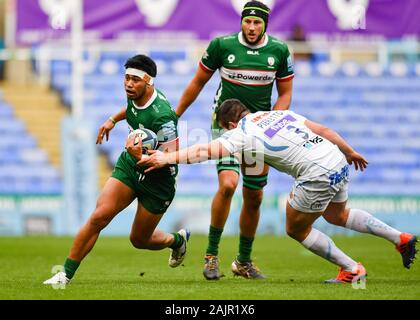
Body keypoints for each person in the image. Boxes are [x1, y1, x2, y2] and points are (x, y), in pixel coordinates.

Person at [136, 99, 418, 283]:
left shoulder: (240, 133)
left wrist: (166, 157)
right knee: (338, 214)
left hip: (316, 173)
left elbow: (204, 150)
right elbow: (324, 129)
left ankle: (352, 270)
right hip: (336, 159)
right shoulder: (281, 114)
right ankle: (400, 238)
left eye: (225, 130)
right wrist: (350, 151)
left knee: (296, 228)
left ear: (230, 125)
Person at [43, 54, 189, 285]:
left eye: (135, 80)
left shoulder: (164, 117)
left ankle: (177, 242)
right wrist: (113, 119)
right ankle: (64, 275)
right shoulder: (135, 95)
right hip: (131, 166)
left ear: (149, 82)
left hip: (158, 181)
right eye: (127, 78)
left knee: (139, 240)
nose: (129, 84)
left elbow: (171, 159)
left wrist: (140, 155)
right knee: (99, 217)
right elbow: (131, 109)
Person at [175, 0, 294, 280]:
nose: (251, 27)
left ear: (265, 24)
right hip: (225, 126)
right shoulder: (222, 46)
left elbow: (285, 94)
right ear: (241, 21)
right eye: (247, 21)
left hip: (258, 133)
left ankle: (243, 262)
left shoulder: (278, 51)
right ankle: (211, 256)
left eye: (257, 22)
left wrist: (272, 123)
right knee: (228, 184)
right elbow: (197, 82)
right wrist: (176, 114)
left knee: (253, 197)